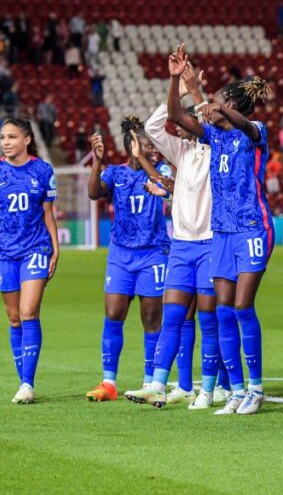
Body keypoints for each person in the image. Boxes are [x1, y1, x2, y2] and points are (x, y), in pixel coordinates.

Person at [166, 45, 274, 416]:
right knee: (224, 311)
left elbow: (240, 122)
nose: (211, 108)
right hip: (222, 232)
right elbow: (175, 114)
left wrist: (214, 104)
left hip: (253, 227)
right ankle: (237, 391)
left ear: (233, 105)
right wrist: (179, 81)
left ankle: (256, 389)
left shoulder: (255, 131)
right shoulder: (215, 137)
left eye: (220, 103)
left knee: (243, 305)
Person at [123, 64, 229, 410]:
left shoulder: (220, 150)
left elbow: (205, 125)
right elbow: (154, 125)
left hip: (212, 243)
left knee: (209, 319)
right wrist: (178, 85)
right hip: (182, 246)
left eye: (187, 122)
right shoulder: (181, 153)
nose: (180, 127)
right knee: (172, 317)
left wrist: (197, 95)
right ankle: (157, 385)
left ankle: (210, 389)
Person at [85, 118, 171, 403]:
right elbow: (94, 193)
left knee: (150, 318)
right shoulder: (115, 174)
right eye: (149, 144)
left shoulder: (162, 170)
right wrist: (97, 162)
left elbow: (165, 186)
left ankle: (150, 381)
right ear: (133, 147)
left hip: (153, 253)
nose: (155, 148)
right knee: (113, 314)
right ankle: (109, 382)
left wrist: (143, 159)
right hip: (121, 255)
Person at [0, 118, 59, 404]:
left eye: (12, 137)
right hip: (4, 253)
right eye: (3, 137)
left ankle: (28, 383)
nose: (6, 142)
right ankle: (22, 382)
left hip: (35, 248)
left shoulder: (42, 170)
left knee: (28, 312)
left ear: (26, 139)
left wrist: (55, 248)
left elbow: (48, 213)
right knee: (14, 317)